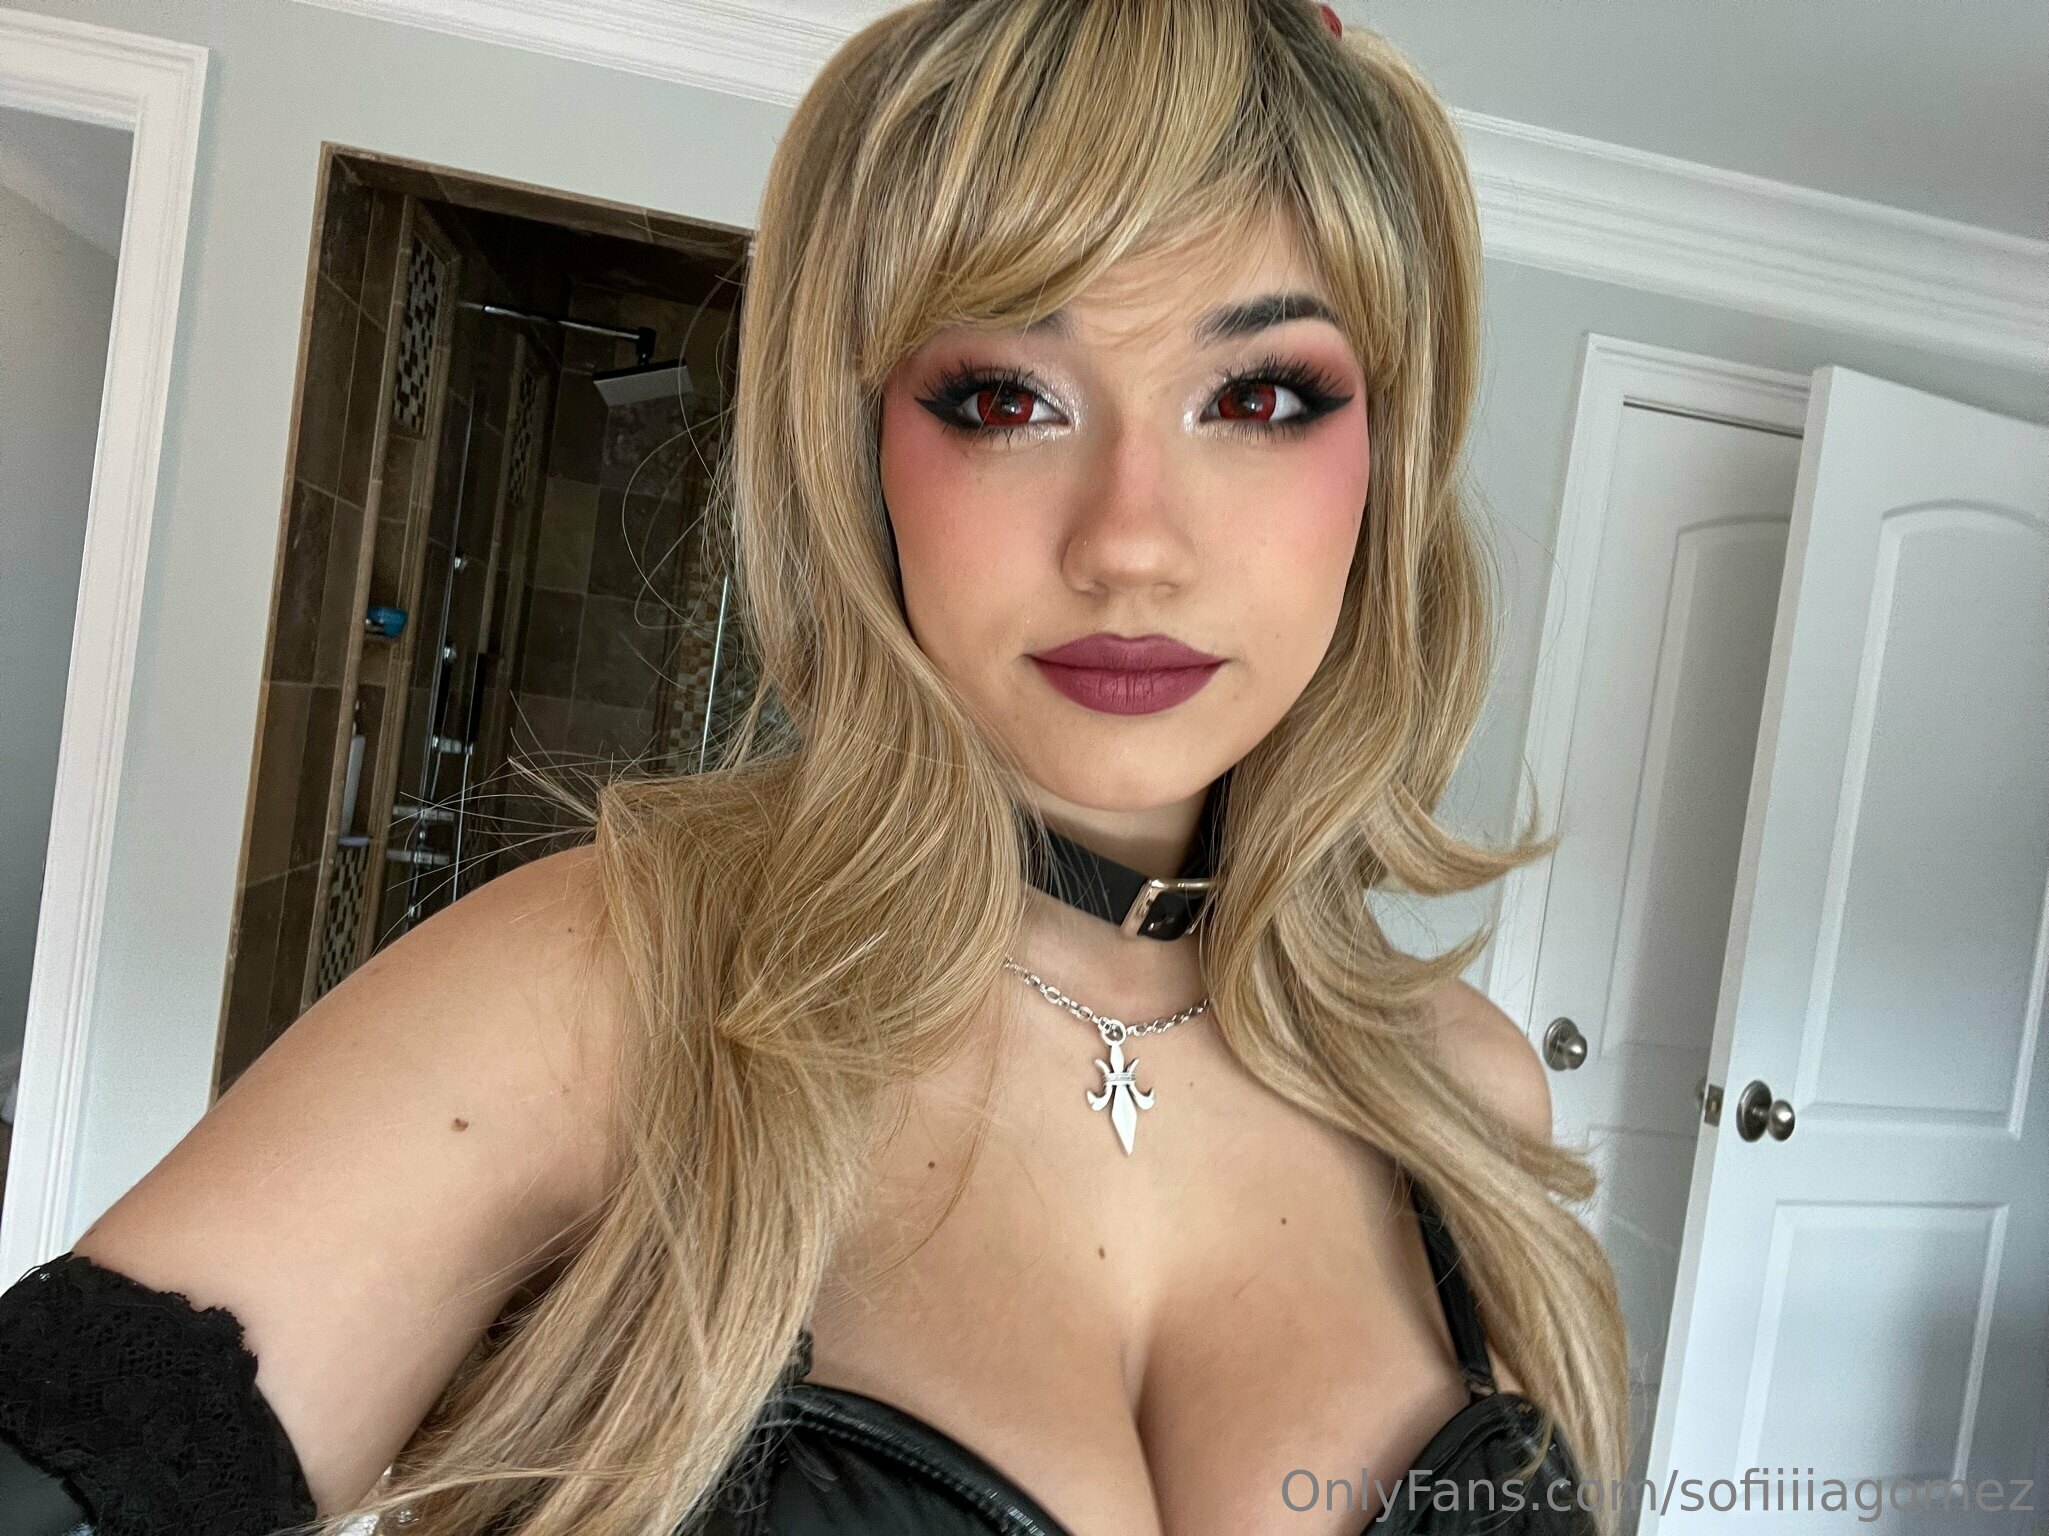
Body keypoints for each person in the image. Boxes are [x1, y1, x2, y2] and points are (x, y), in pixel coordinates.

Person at [0, 1, 1631, 1532]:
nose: (1131, 542)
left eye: (1259, 394)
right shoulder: (608, 988)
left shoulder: (1466, 1094)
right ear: (863, 457)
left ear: (1384, 455)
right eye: (1006, 398)